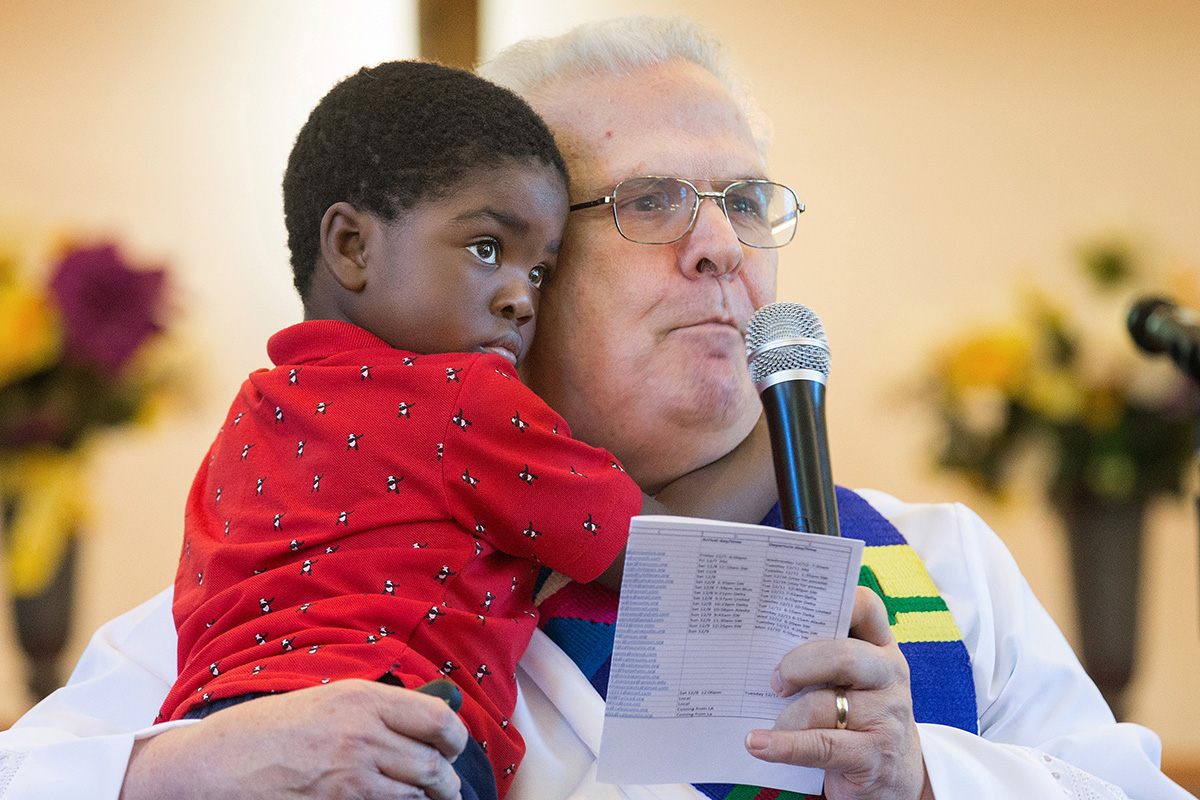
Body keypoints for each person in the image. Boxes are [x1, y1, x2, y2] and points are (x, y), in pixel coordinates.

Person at [0, 14, 1191, 800]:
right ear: (516, 272)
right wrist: (182, 766)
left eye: (745, 197)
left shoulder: (942, 563)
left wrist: (928, 773)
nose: (722, 244)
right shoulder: (328, 574)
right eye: (653, 200)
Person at [155, 58, 774, 800]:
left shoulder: (251, 415)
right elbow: (663, 559)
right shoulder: (462, 401)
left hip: (217, 743)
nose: (519, 297)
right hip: (398, 738)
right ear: (352, 246)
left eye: (540, 271)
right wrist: (791, 410)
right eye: (487, 249)